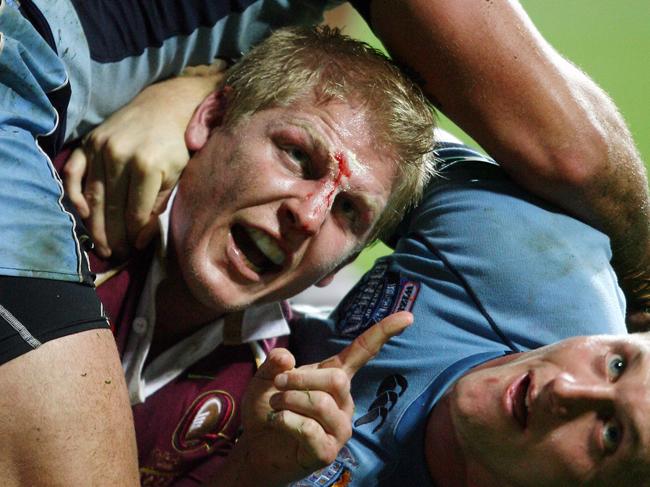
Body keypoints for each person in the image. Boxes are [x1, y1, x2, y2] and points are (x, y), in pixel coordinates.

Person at [0, 10, 434, 485]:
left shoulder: (271, 402)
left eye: (349, 210)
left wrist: (252, 470)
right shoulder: (42, 203)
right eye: (297, 155)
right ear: (211, 119)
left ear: (345, 263)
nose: (309, 216)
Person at [284, 137, 636, 486]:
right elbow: (357, 136)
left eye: (611, 433)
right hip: (302, 310)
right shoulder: (539, 265)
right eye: (617, 364)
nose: (565, 389)